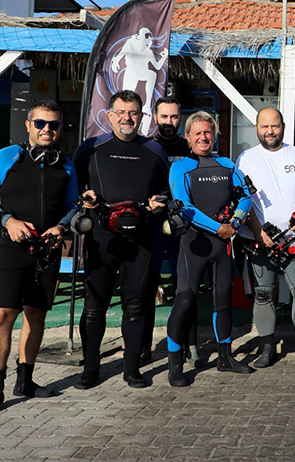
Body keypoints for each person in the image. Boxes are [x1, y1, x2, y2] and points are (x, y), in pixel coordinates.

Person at [73, 90, 170, 389]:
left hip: (140, 240)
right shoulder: (90, 148)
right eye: (121, 112)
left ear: (141, 117)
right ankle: (90, 370)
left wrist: (159, 203)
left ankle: (132, 369)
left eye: (133, 113)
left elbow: (168, 192)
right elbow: (73, 189)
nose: (127, 118)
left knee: (136, 306)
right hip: (101, 239)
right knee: (94, 306)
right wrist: (83, 200)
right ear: (110, 115)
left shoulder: (154, 151)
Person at [236, 107, 295, 367]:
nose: (270, 131)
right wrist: (257, 230)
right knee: (264, 294)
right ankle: (267, 347)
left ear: (283, 127)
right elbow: (242, 199)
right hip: (259, 239)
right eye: (265, 126)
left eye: (275, 126)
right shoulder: (245, 158)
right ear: (256, 128)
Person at [166, 111, 253, 386]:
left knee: (223, 301)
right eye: (198, 133)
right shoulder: (180, 167)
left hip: (223, 245)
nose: (203, 137)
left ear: (214, 135)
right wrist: (219, 228)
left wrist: (236, 220)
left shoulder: (227, 164)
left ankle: (225, 358)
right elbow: (184, 206)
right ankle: (174, 363)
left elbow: (246, 195)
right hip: (195, 244)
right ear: (188, 137)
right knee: (184, 302)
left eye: (208, 132)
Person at [0, 100, 78, 406]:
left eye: (54, 125)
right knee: (4, 315)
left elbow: (73, 207)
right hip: (8, 248)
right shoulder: (8, 157)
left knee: (36, 314)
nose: (48, 129)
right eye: (41, 123)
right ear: (28, 125)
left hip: (46, 251)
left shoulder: (67, 164)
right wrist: (8, 221)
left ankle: (25, 381)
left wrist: (60, 228)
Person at [150, 96, 199, 365]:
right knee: (146, 285)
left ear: (181, 119)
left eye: (174, 117)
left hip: (183, 224)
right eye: (164, 117)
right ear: (155, 117)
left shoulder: (189, 147)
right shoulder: (148, 147)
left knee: (186, 287)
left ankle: (189, 343)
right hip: (154, 224)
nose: (169, 122)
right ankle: (144, 345)